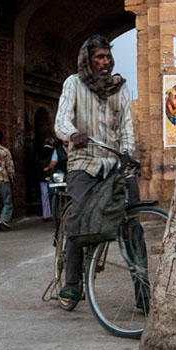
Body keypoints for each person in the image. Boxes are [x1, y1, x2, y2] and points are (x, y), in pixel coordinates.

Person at [54, 34, 138, 308]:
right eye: (99, 57)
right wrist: (73, 133)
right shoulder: (74, 84)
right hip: (84, 162)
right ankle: (71, 284)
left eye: (107, 57)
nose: (105, 62)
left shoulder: (120, 88)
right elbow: (61, 120)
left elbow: (126, 126)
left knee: (132, 221)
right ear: (87, 61)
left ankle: (143, 291)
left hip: (114, 163)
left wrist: (129, 153)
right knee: (80, 215)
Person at [39, 137, 67, 222]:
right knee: (51, 187)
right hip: (61, 173)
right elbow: (53, 162)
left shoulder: (75, 149)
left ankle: (46, 214)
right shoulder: (57, 150)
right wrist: (49, 168)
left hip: (72, 171)